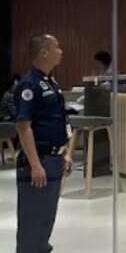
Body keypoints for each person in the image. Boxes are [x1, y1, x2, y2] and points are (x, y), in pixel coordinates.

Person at [15, 34, 73, 253]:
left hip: (54, 158)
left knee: (45, 221)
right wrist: (35, 164)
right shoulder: (30, 84)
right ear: (44, 52)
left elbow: (57, 120)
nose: (61, 51)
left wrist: (64, 152)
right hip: (38, 161)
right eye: (57, 47)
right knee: (32, 223)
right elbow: (23, 126)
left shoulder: (50, 81)